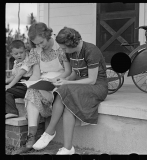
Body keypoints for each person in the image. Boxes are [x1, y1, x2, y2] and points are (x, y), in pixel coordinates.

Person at [32, 27, 108, 155]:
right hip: (79, 85)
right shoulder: (70, 52)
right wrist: (62, 80)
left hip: (97, 87)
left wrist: (67, 82)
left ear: (73, 44)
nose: (63, 50)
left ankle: (49, 131)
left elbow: (92, 80)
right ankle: (68, 148)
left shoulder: (91, 50)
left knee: (65, 89)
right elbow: (74, 73)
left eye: (64, 48)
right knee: (67, 102)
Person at [13, 22, 71, 154]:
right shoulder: (35, 51)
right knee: (31, 91)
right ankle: (31, 138)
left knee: (42, 91)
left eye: (41, 42)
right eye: (36, 44)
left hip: (60, 80)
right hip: (44, 82)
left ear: (47, 35)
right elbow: (36, 74)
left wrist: (57, 80)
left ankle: (46, 133)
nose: (40, 46)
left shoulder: (60, 47)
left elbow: (68, 71)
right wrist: (30, 84)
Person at [6, 40, 40, 119]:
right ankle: (8, 111)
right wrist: (7, 82)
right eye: (16, 54)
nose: (19, 55)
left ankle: (12, 111)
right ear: (12, 54)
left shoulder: (27, 61)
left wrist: (9, 85)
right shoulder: (16, 62)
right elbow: (14, 76)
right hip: (19, 84)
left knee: (7, 90)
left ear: (25, 51)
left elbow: (19, 75)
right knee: (7, 92)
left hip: (26, 85)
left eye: (21, 52)